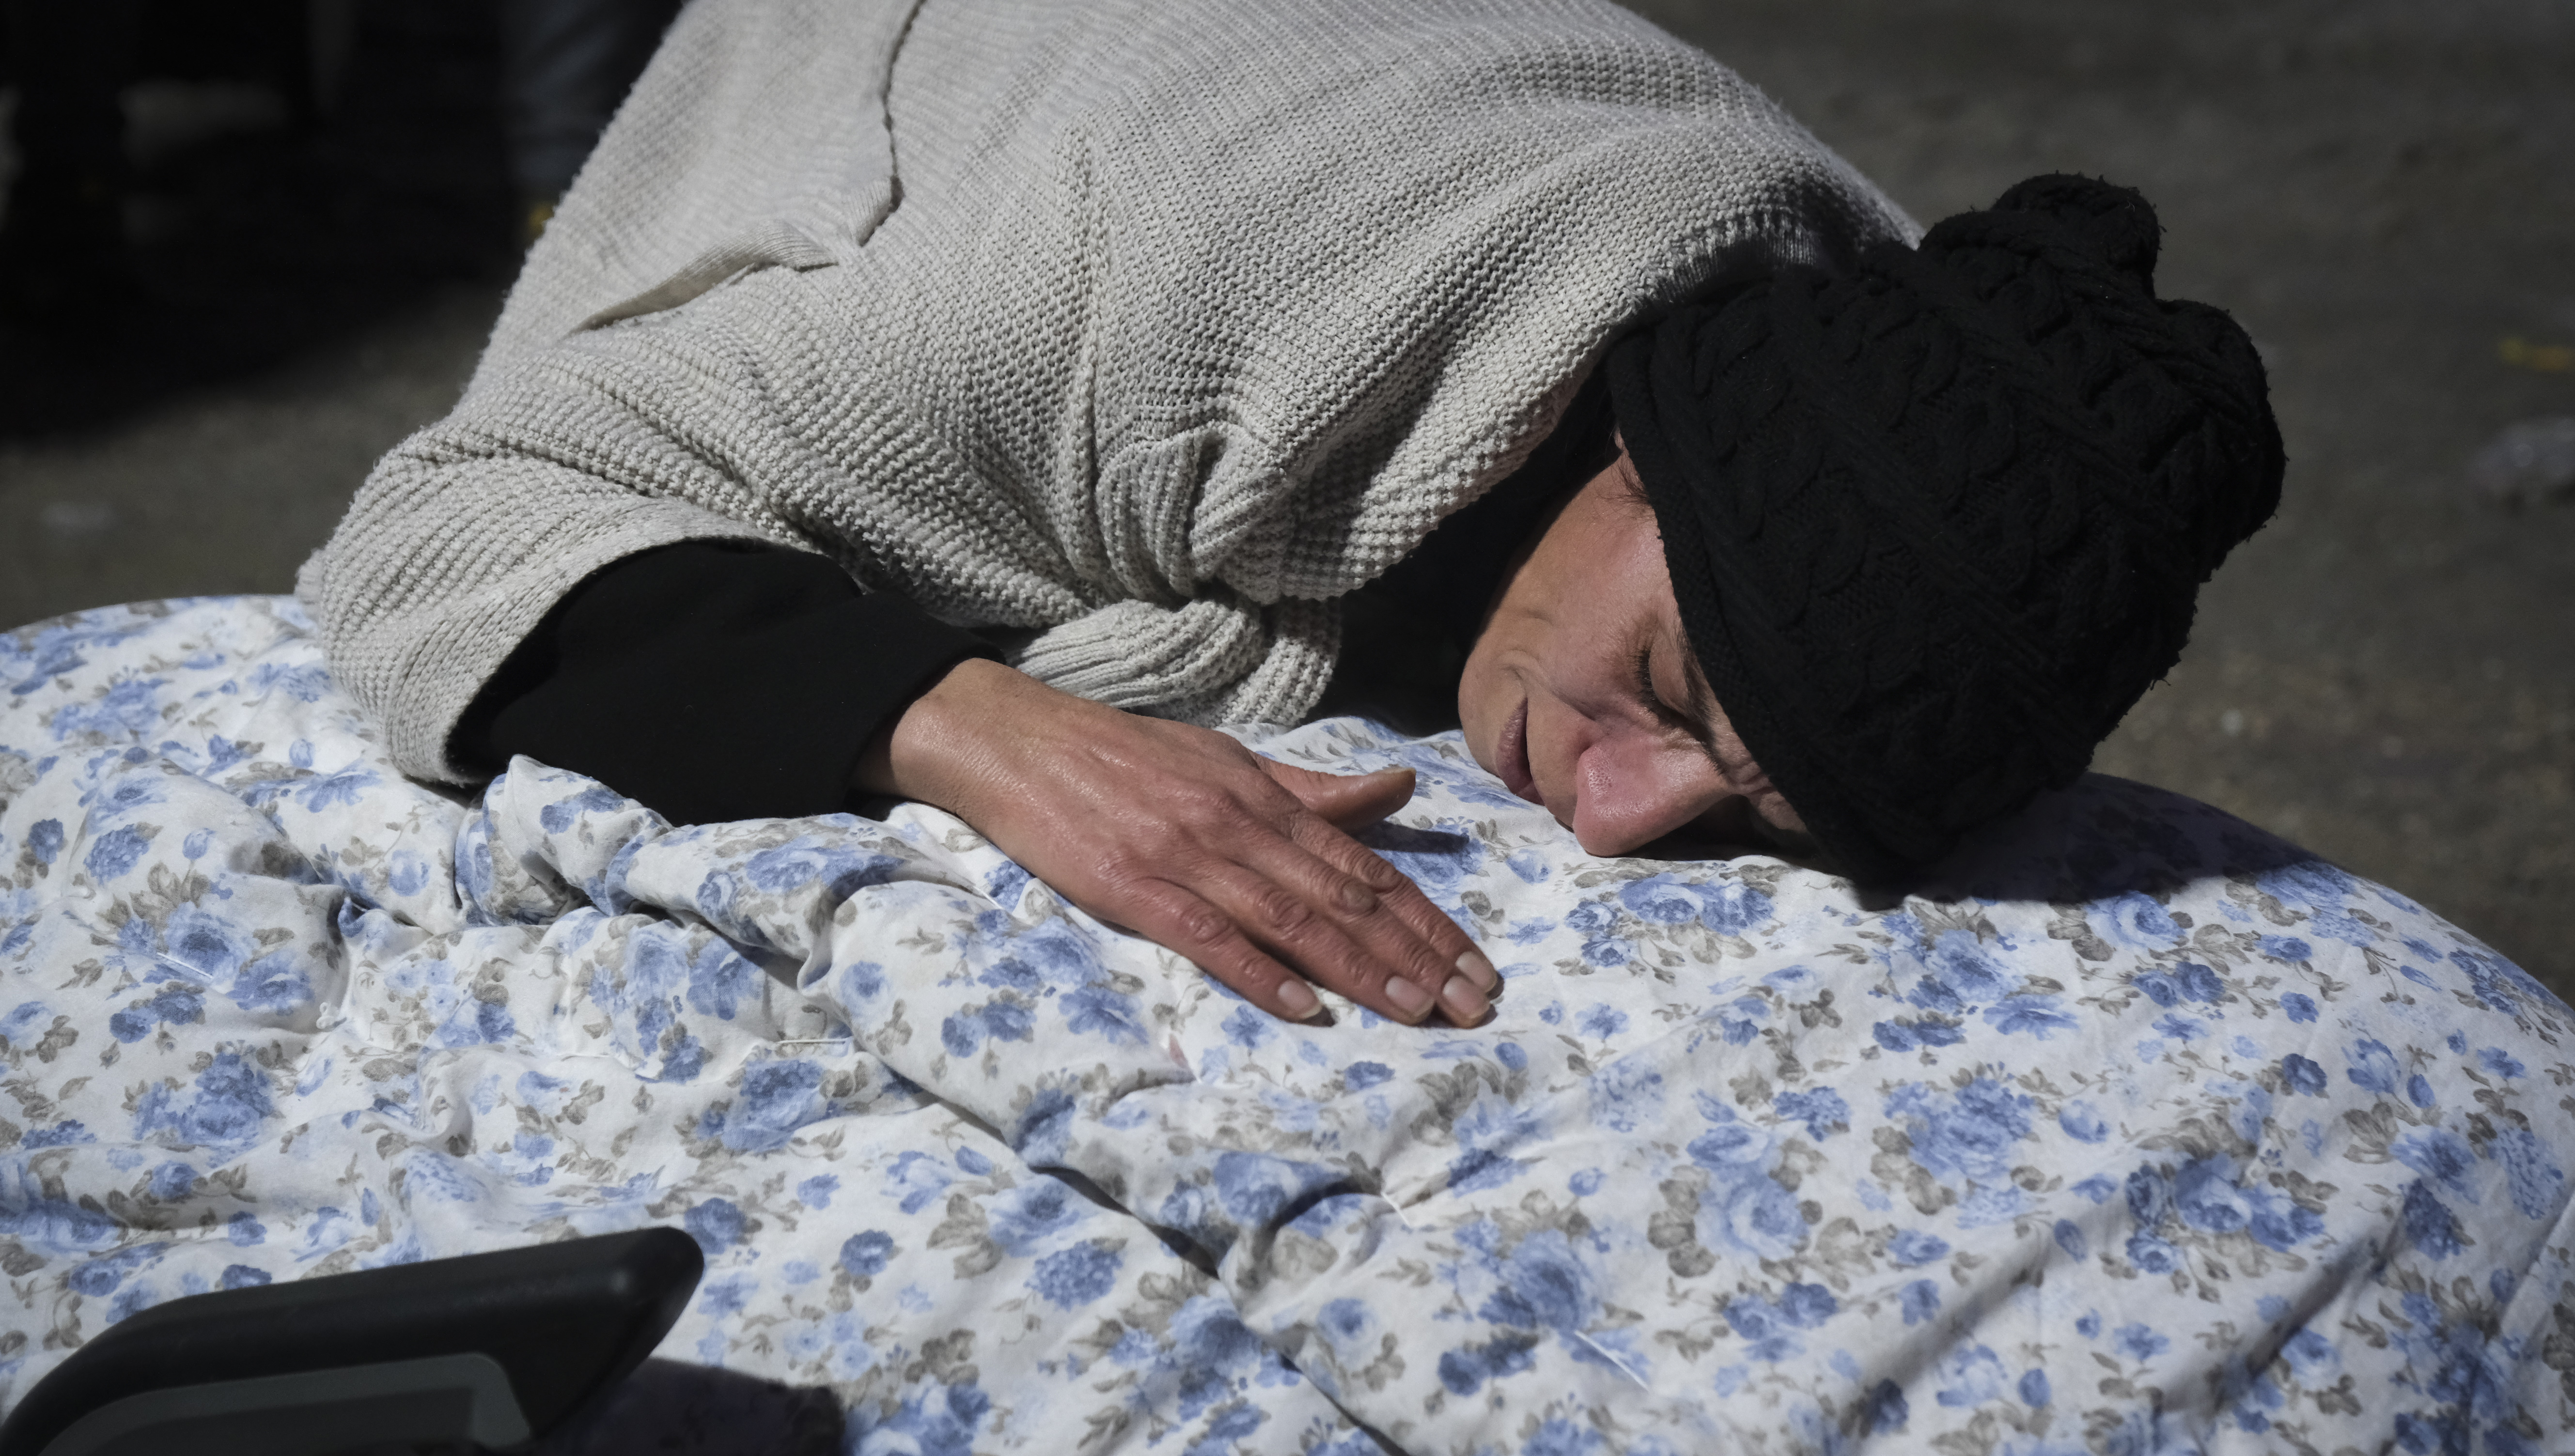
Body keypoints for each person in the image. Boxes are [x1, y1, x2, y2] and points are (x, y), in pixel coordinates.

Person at [301, 0, 2283, 1035]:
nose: (1609, 813)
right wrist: (985, 728)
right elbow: (447, 527)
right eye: (1671, 689)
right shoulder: (1149, 304)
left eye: (1747, 804)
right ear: (1631, 454)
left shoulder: (1853, 328)